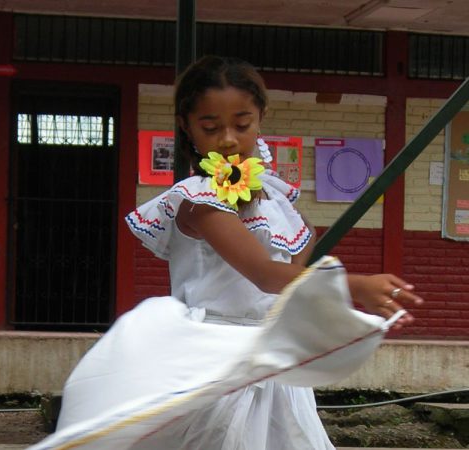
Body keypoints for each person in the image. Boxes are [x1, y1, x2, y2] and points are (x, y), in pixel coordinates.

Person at [28, 56, 423, 450]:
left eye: (242, 123)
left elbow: (288, 275)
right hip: (213, 362)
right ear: (187, 126)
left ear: (261, 117)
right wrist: (353, 286)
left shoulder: (276, 200)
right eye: (211, 127)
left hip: (267, 364)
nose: (229, 139)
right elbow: (265, 274)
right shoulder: (199, 202)